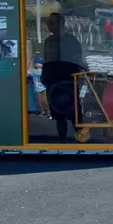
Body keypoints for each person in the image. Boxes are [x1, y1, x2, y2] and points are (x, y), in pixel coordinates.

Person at [40, 12, 86, 140]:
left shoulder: (71, 40)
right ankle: (62, 140)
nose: (50, 26)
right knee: (58, 112)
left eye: (52, 23)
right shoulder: (48, 41)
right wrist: (45, 76)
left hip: (68, 80)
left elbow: (77, 58)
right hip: (52, 81)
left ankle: (82, 137)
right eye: (48, 23)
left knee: (74, 111)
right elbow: (46, 59)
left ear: (61, 24)